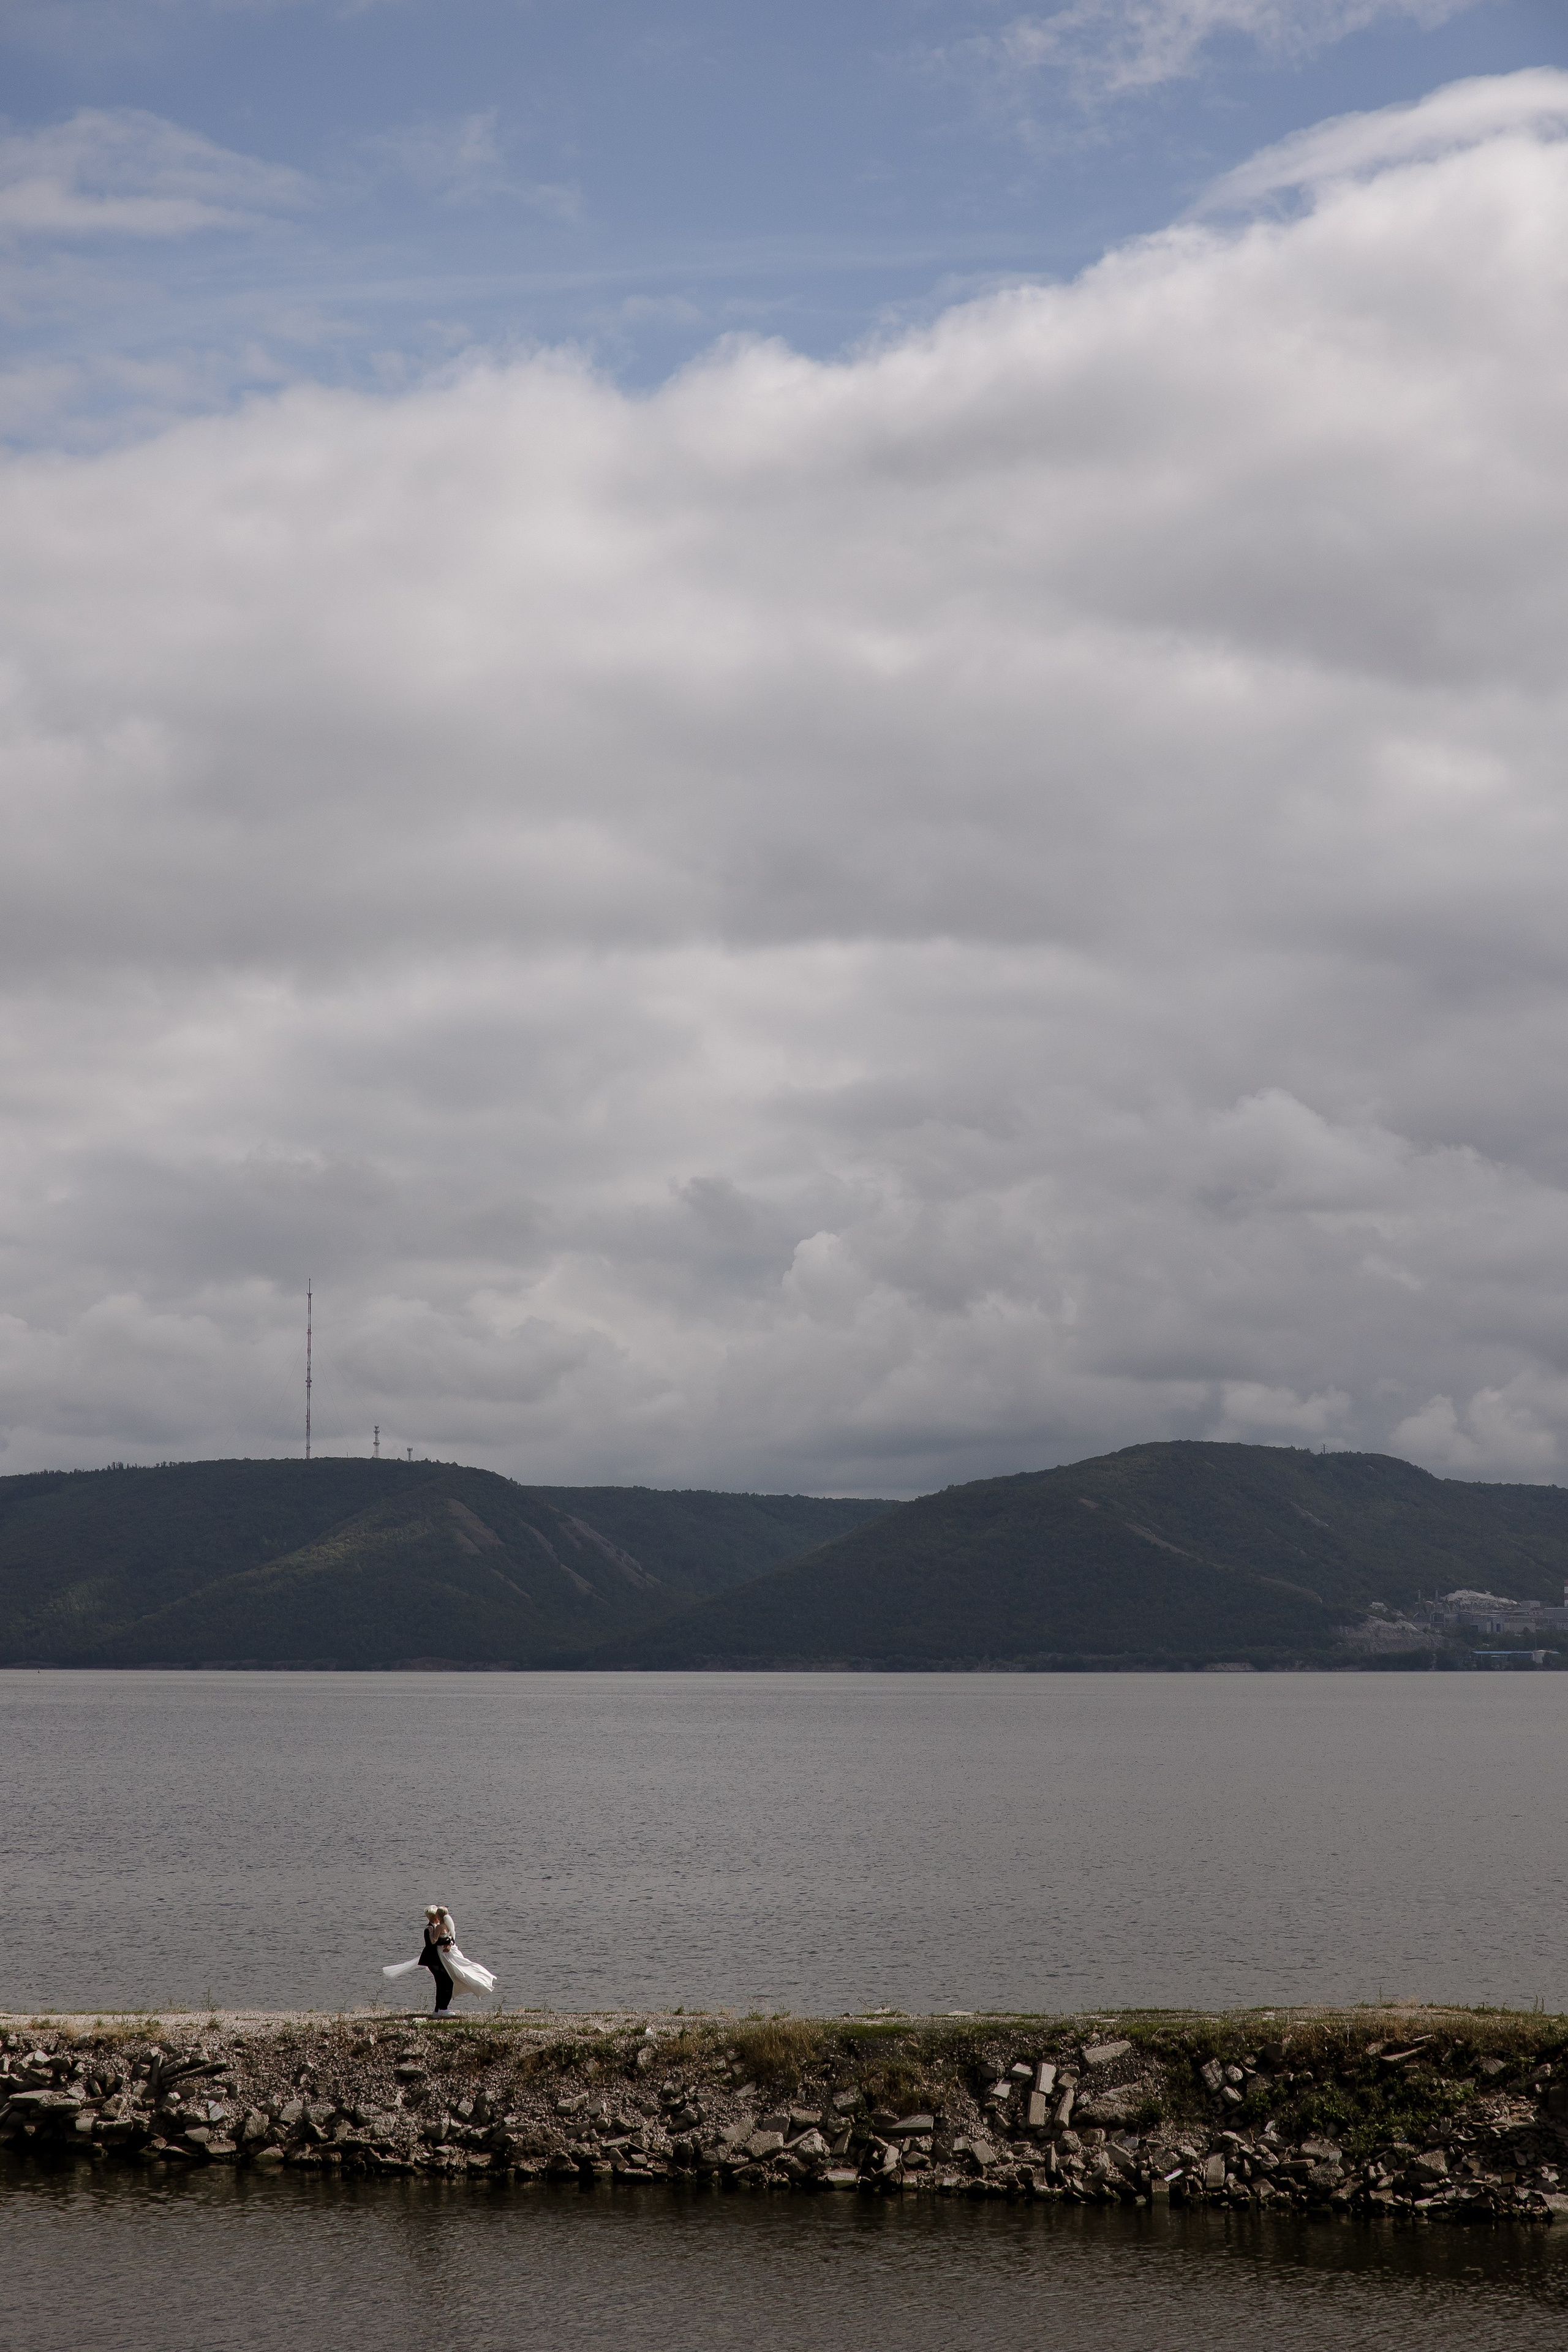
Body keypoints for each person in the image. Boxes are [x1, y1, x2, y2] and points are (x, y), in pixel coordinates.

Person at [383, 1904, 498, 2015]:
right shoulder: (429, 1929)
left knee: (444, 1983)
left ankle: (439, 2009)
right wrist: (447, 1941)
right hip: (433, 1961)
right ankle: (442, 2009)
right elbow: (432, 1944)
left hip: (439, 1960)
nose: (437, 1918)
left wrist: (449, 1943)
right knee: (445, 1982)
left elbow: (449, 1938)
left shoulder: (439, 1927)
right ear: (434, 1917)